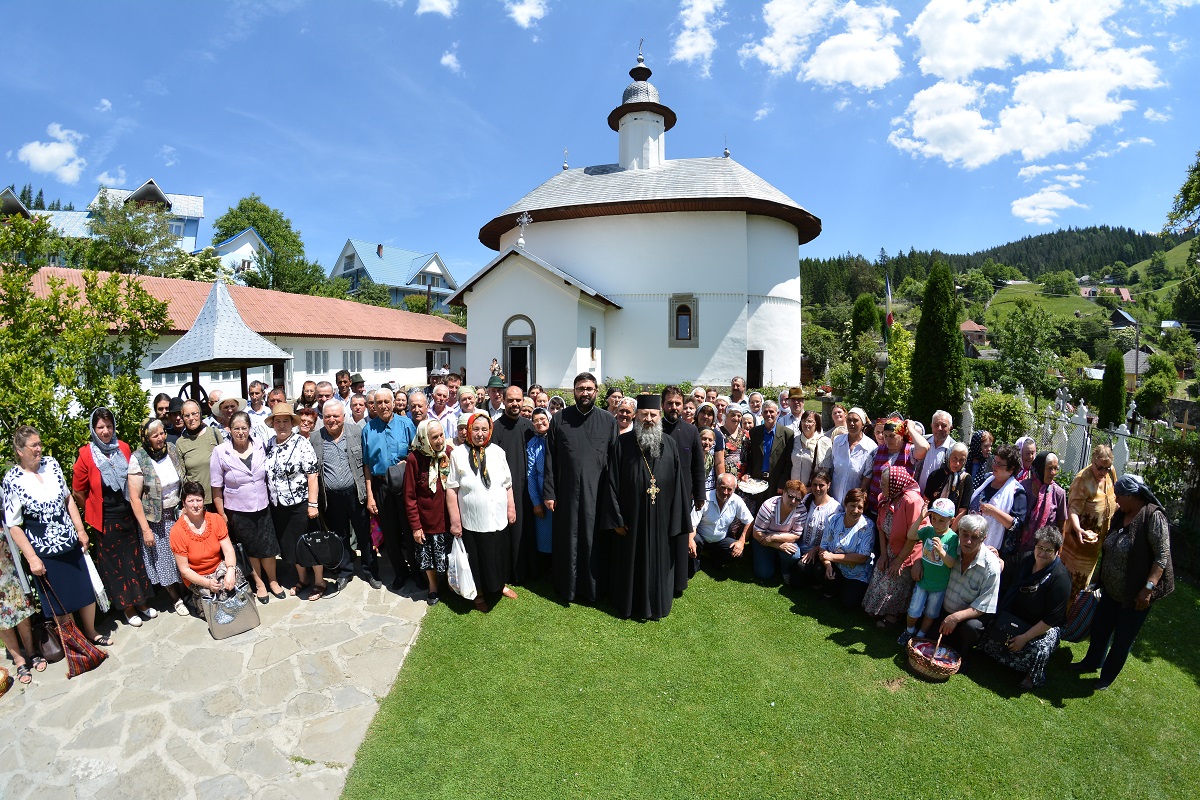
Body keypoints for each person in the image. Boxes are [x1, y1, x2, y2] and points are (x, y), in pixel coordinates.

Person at [4, 426, 106, 647]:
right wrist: (31, 557)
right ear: (20, 451)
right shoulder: (12, 479)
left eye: (39, 443)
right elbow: (13, 525)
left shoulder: (52, 464)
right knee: (60, 602)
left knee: (85, 591)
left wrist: (80, 530)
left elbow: (68, 499)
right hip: (44, 550)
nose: (39, 448)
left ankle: (91, 632)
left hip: (69, 541)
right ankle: (75, 642)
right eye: (34, 445)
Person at [1072, 474, 1174, 690]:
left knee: (1122, 639)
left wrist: (1148, 589)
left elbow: (1162, 556)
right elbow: (1109, 548)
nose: (1116, 501)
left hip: (1136, 594)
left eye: (1119, 497)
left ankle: (1106, 678)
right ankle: (1091, 662)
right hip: (1110, 588)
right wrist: (1099, 577)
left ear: (1132, 495)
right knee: (1101, 627)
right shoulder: (1122, 513)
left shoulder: (1153, 517)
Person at [608, 396, 691, 621]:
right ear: (636, 416)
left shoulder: (669, 444)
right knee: (630, 562)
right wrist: (616, 518)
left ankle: (658, 604)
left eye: (653, 415)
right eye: (644, 414)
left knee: (659, 562)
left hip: (662, 521)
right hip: (631, 520)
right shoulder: (622, 444)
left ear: (660, 417)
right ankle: (630, 605)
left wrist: (676, 522)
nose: (649, 419)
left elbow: (679, 486)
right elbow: (611, 483)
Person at [542, 372, 621, 605]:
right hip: (565, 494)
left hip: (596, 495)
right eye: (580, 388)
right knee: (567, 539)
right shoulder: (559, 419)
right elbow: (550, 459)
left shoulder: (608, 421)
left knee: (592, 541)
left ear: (596, 391)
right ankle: (566, 587)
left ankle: (593, 589)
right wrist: (549, 492)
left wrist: (612, 497)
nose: (585, 392)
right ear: (574, 391)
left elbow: (614, 462)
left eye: (589, 388)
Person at [72, 407, 155, 628]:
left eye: (109, 426)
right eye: (100, 427)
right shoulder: (86, 454)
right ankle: (127, 607)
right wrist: (92, 509)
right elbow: (78, 491)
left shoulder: (124, 448)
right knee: (116, 566)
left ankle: (142, 602)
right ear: (93, 428)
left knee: (134, 559)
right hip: (105, 519)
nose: (106, 431)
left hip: (127, 514)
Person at [979, 525, 1071, 690]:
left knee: (1041, 646)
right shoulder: (1025, 559)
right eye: (1039, 547)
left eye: (1048, 550)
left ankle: (1032, 675)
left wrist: (1025, 637)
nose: (1042, 553)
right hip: (1014, 615)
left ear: (1057, 552)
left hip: (1041, 625)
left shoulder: (1060, 578)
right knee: (989, 625)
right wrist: (996, 559)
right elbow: (1004, 572)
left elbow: (1052, 619)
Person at [446, 413, 518, 612]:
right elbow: (452, 489)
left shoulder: (498, 452)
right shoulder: (457, 454)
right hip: (472, 520)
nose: (480, 434)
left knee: (499, 554)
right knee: (477, 560)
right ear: (468, 431)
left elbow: (507, 484)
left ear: (490, 431)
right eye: (475, 429)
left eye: (484, 429)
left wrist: (511, 508)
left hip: (498, 517)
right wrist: (455, 520)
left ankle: (499, 585)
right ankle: (478, 594)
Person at [211, 411, 285, 602]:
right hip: (238, 510)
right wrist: (222, 514)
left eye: (244, 428)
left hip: (263, 505)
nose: (241, 432)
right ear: (229, 429)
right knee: (251, 549)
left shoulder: (260, 444)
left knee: (268, 547)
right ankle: (259, 584)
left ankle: (273, 581)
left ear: (249, 429)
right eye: (236, 428)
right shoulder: (220, 451)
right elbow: (216, 488)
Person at [127, 418, 187, 616]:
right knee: (164, 560)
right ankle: (175, 598)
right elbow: (135, 498)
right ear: (146, 437)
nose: (160, 438)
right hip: (156, 520)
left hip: (177, 513)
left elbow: (183, 477)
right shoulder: (139, 458)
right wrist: (145, 529)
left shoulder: (171, 449)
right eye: (155, 435)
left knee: (183, 555)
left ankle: (188, 592)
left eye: (162, 433)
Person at [264, 403, 322, 599]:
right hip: (279, 506)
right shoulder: (270, 443)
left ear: (292, 423)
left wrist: (313, 504)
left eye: (285, 421)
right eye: (278, 421)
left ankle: (320, 582)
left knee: (310, 543)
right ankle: (303, 579)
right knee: (293, 545)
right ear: (272, 424)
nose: (281, 425)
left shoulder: (301, 443)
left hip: (301, 504)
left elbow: (312, 475)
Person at [362, 387, 418, 592]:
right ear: (374, 406)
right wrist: (370, 496)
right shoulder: (368, 430)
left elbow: (415, 453)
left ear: (394, 403)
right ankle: (400, 572)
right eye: (379, 403)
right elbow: (366, 465)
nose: (384, 406)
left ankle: (417, 572)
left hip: (405, 485)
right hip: (381, 487)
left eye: (387, 402)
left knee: (410, 529)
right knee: (391, 534)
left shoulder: (406, 424)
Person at [311, 399, 370, 592]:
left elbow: (366, 464)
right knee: (340, 535)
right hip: (331, 497)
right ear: (323, 418)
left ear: (344, 417)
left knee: (363, 534)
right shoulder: (315, 438)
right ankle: (345, 571)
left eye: (336, 416)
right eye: (327, 416)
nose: (332, 420)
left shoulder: (357, 433)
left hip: (355, 493)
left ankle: (370, 570)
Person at [935, 514, 1002, 664]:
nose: (968, 541)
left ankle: (964, 657)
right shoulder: (952, 549)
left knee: (972, 627)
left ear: (984, 538)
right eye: (965, 535)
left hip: (967, 618)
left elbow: (984, 605)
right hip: (944, 609)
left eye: (975, 537)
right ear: (959, 532)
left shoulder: (991, 567)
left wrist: (955, 617)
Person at [863, 466, 925, 626]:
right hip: (891, 547)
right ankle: (878, 609)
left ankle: (893, 614)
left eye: (884, 484)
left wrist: (899, 560)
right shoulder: (886, 497)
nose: (880, 486)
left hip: (909, 553)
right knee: (880, 572)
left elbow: (914, 536)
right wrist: (884, 555)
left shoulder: (912, 501)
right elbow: (881, 528)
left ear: (894, 484)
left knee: (894, 579)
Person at [405, 420, 454, 606]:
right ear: (425, 439)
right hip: (427, 520)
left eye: (441, 435)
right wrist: (416, 526)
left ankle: (451, 584)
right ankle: (433, 587)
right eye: (435, 437)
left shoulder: (448, 454)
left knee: (449, 554)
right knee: (428, 556)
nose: (440, 440)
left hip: (448, 518)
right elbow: (409, 497)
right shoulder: (414, 459)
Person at [662, 386, 705, 594]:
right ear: (663, 405)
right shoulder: (655, 429)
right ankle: (661, 577)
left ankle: (678, 581)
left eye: (677, 403)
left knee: (680, 539)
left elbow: (698, 466)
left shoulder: (691, 431)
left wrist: (700, 496)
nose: (674, 407)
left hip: (684, 496)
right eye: (670, 403)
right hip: (658, 497)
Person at [898, 498, 959, 645]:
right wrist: (921, 517)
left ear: (951, 520)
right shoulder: (929, 530)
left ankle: (920, 635)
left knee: (930, 614)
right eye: (934, 518)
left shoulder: (952, 538)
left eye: (941, 520)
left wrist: (941, 552)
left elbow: (951, 564)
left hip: (939, 586)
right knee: (913, 610)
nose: (936, 523)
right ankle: (909, 631)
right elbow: (911, 535)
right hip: (922, 581)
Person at [170, 481, 241, 605]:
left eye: (199, 500)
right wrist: (207, 583)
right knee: (215, 602)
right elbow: (185, 570)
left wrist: (230, 570)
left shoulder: (215, 519)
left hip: (219, 567)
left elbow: (228, 550)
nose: (195, 505)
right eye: (191, 501)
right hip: (198, 575)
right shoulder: (177, 531)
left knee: (233, 585)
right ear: (183, 503)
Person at [492, 385, 535, 584]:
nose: (515, 404)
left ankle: (531, 569)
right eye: (511, 400)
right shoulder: (496, 428)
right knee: (511, 532)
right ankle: (513, 572)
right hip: (506, 491)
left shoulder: (529, 426)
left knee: (528, 530)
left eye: (518, 400)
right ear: (504, 401)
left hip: (529, 489)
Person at [2, 476, 43, 684]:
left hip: (7, 563)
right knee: (2, 620)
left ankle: (32, 651)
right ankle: (19, 661)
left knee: (21, 609)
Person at [1064, 444, 1118, 600]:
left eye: (1106, 468)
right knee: (1074, 582)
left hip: (1097, 543)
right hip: (1078, 542)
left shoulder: (1110, 474)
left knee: (1085, 582)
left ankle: (1074, 617)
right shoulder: (1083, 479)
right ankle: (1064, 617)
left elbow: (1114, 498)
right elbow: (1073, 509)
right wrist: (1078, 528)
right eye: (1099, 467)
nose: (1103, 472)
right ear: (1092, 461)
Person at [818, 488, 875, 608]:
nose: (855, 510)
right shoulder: (834, 519)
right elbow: (823, 547)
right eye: (852, 505)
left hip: (857, 573)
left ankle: (841, 589)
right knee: (817, 569)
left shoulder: (868, 526)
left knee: (848, 603)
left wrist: (832, 557)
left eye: (860, 507)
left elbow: (862, 558)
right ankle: (833, 588)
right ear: (845, 504)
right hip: (836, 566)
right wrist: (828, 564)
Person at [968, 444, 1027, 554]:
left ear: (1011, 469)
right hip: (970, 540)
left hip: (993, 550)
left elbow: (1016, 525)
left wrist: (993, 511)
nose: (994, 466)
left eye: (999, 464)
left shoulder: (1017, 492)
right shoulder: (986, 479)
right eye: (994, 461)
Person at [868, 417, 929, 518]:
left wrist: (911, 429)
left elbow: (924, 447)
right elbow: (868, 476)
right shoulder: (877, 451)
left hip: (898, 511)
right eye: (885, 435)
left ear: (901, 436)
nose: (887, 439)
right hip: (875, 506)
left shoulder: (910, 451)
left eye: (892, 436)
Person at [749, 478, 807, 583]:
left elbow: (796, 536)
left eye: (798, 499)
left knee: (794, 555)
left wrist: (773, 537)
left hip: (776, 538)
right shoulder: (769, 506)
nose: (793, 501)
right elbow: (756, 533)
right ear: (783, 493)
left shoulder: (801, 510)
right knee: (764, 574)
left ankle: (785, 568)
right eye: (790, 496)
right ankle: (769, 558)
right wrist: (778, 545)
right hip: (762, 540)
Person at [741, 401, 794, 514]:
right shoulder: (755, 432)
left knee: (773, 513)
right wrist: (748, 473)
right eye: (766, 412)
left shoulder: (787, 434)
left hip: (776, 482)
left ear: (777, 413)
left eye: (771, 412)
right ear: (762, 414)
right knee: (755, 512)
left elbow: (788, 462)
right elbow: (751, 457)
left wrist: (782, 482)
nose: (769, 414)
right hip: (757, 481)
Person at [792, 470, 841, 587]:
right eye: (814, 484)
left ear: (829, 485)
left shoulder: (835, 508)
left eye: (821, 485)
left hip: (820, 553)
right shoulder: (806, 499)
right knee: (795, 582)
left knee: (800, 573)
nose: (817, 488)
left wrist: (814, 550)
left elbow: (833, 537)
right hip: (800, 547)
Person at [694, 473, 754, 568]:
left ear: (734, 489)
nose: (725, 492)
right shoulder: (704, 499)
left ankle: (715, 559)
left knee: (737, 552)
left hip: (720, 540)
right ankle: (696, 559)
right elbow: (692, 524)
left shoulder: (737, 501)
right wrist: (690, 541)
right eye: (723, 487)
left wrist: (741, 541)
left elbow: (749, 521)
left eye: (729, 489)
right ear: (717, 486)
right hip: (701, 538)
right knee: (694, 539)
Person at [174, 400, 225, 508]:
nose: (191, 418)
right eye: (187, 415)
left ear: (200, 414)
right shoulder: (180, 443)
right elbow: (182, 477)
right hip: (196, 503)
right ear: (183, 418)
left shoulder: (214, 433)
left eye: (194, 414)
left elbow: (226, 463)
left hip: (220, 498)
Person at [1021, 451, 1067, 556]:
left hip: (1045, 552)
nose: (1053, 472)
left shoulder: (1059, 493)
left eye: (1055, 468)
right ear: (1040, 468)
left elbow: (1062, 525)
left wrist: (1059, 551)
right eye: (1050, 468)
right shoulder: (1024, 487)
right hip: (1021, 549)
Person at [526, 407, 553, 572]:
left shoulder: (559, 440)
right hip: (542, 493)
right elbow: (531, 474)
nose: (539, 423)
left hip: (560, 493)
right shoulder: (533, 444)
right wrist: (536, 502)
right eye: (535, 420)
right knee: (544, 533)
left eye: (542, 419)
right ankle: (546, 568)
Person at [829, 407, 874, 506]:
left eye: (855, 420)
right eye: (849, 420)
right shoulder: (837, 441)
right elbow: (831, 469)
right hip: (832, 501)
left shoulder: (870, 447)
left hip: (852, 505)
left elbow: (866, 481)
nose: (851, 423)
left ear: (862, 424)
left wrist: (856, 504)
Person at [921, 442, 971, 526]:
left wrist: (949, 534)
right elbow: (926, 502)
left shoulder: (966, 479)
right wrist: (927, 524)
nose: (957, 463)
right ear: (948, 456)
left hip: (951, 529)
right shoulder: (935, 475)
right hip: (930, 524)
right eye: (954, 458)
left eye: (961, 460)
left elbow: (962, 511)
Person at [916, 410, 956, 493]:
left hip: (937, 499)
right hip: (916, 495)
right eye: (936, 425)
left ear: (950, 427)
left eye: (944, 426)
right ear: (931, 426)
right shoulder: (923, 441)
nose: (939, 428)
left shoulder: (954, 449)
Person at [790, 410, 832, 486]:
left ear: (816, 424)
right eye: (804, 421)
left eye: (810, 421)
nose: (806, 424)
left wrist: (809, 490)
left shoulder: (824, 442)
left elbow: (824, 472)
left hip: (812, 491)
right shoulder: (794, 440)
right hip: (794, 489)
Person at [693, 402, 726, 478]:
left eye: (709, 414)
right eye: (703, 413)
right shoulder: (690, 432)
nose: (705, 416)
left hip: (710, 484)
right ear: (697, 414)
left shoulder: (717, 435)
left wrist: (720, 483)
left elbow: (719, 463)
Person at [720, 406, 745, 476]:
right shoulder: (718, 433)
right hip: (725, 478)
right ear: (726, 416)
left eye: (739, 416)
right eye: (733, 415)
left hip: (743, 479)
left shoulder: (746, 435)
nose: (736, 418)